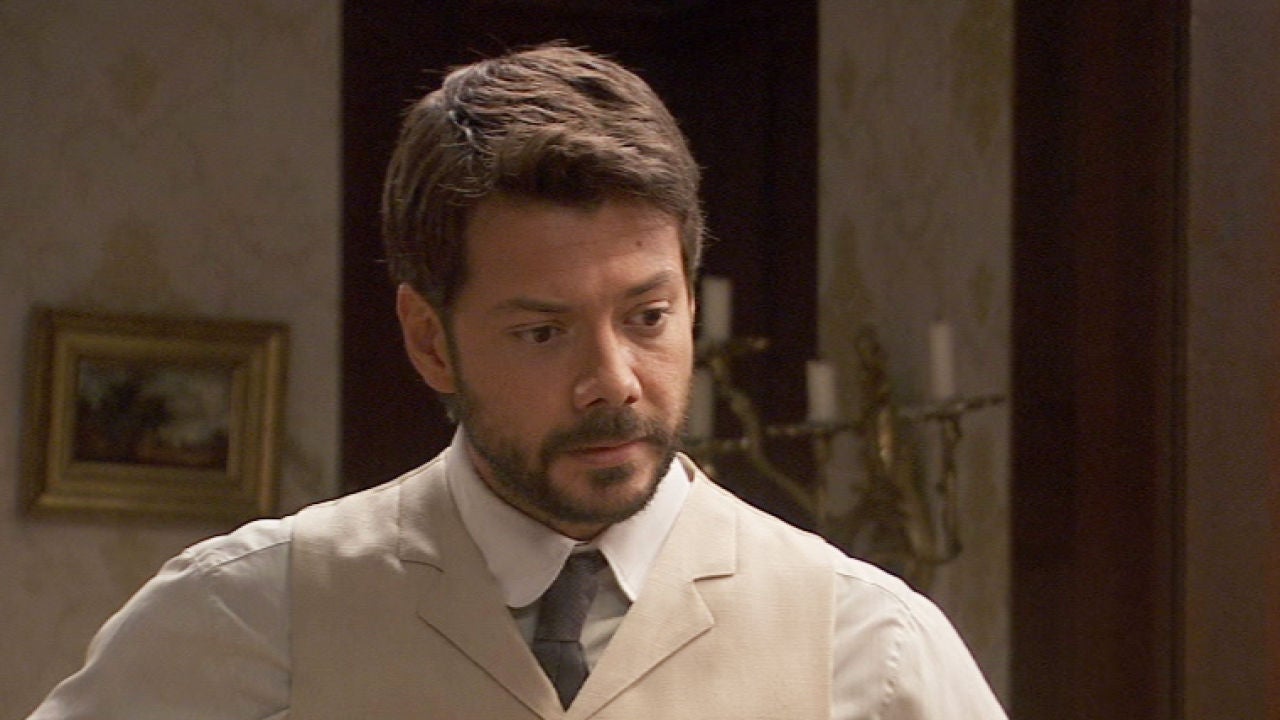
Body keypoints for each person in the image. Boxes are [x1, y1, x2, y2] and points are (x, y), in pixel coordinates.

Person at [26, 44, 1007, 719]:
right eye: (543, 332)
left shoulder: (869, 646)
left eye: (647, 317)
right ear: (430, 340)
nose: (612, 382)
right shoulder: (249, 611)